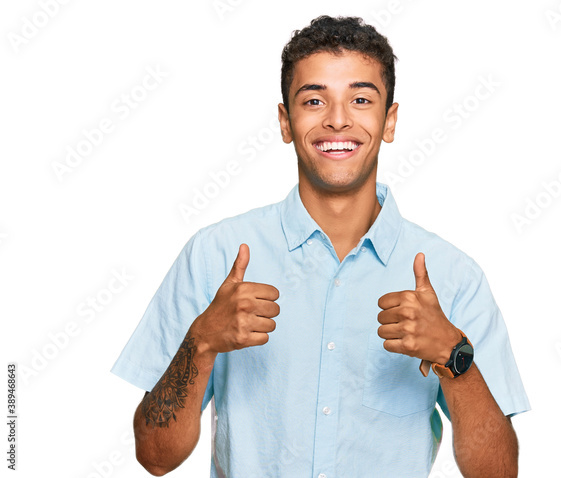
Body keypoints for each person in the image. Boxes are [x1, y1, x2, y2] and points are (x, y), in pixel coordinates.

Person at [111, 15, 529, 477]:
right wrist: (202, 341)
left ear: (389, 121)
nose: (337, 119)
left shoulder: (454, 275)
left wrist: (455, 357)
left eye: (360, 99)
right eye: (314, 100)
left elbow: (498, 472)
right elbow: (154, 455)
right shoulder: (215, 256)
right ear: (286, 121)